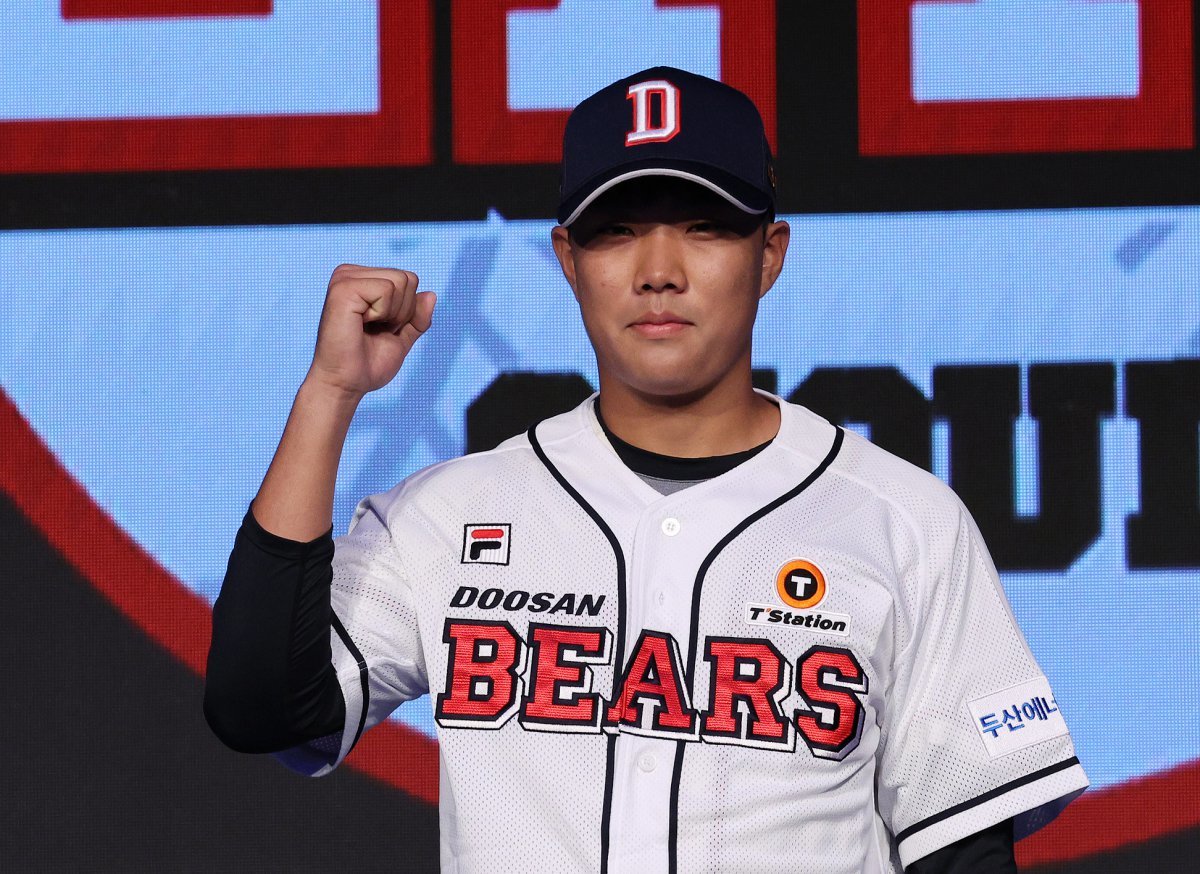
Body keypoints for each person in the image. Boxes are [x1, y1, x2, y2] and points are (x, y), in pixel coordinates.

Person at [205, 67, 1087, 873]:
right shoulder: (450, 514)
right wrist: (330, 391)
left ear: (769, 255)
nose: (658, 272)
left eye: (703, 228)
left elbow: (963, 854)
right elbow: (263, 711)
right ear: (568, 260)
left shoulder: (902, 522)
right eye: (618, 232)